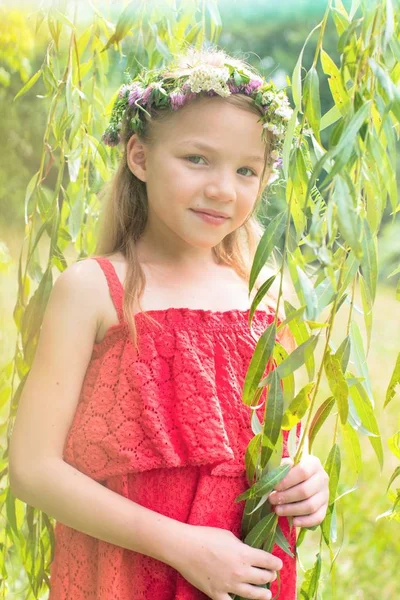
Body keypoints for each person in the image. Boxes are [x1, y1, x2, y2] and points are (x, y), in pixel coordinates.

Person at [9, 47, 329, 600]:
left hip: (241, 570)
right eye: (197, 159)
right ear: (138, 156)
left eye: (247, 170)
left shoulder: (262, 292)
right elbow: (34, 469)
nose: (223, 189)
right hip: (126, 573)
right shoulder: (93, 290)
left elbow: (275, 440)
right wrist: (184, 546)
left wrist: (306, 478)